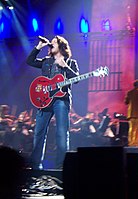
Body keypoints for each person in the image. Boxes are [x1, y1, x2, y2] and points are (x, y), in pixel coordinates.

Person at [26, 35, 79, 169]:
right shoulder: (46, 61)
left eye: (53, 43)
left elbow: (77, 79)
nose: (50, 45)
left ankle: (61, 166)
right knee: (39, 132)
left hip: (61, 100)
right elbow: (30, 61)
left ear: (61, 46)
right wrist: (39, 47)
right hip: (44, 101)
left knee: (61, 132)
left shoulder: (71, 62)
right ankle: (35, 165)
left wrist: (65, 66)